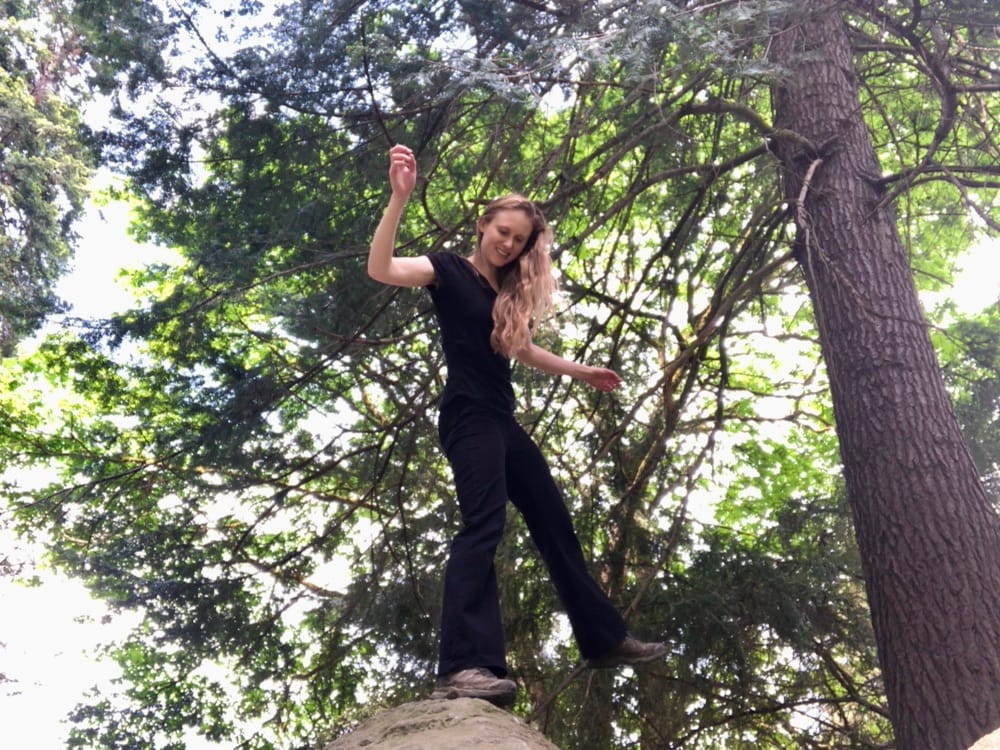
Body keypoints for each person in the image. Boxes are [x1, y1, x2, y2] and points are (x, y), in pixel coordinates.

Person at [368, 144, 666, 705]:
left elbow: (523, 350)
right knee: (483, 524)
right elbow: (381, 269)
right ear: (483, 225)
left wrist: (581, 371)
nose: (508, 244)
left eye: (519, 240)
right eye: (502, 231)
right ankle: (462, 666)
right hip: (467, 416)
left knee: (553, 520)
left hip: (502, 420)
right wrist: (398, 199)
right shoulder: (446, 270)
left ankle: (603, 640)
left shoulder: (505, 294)